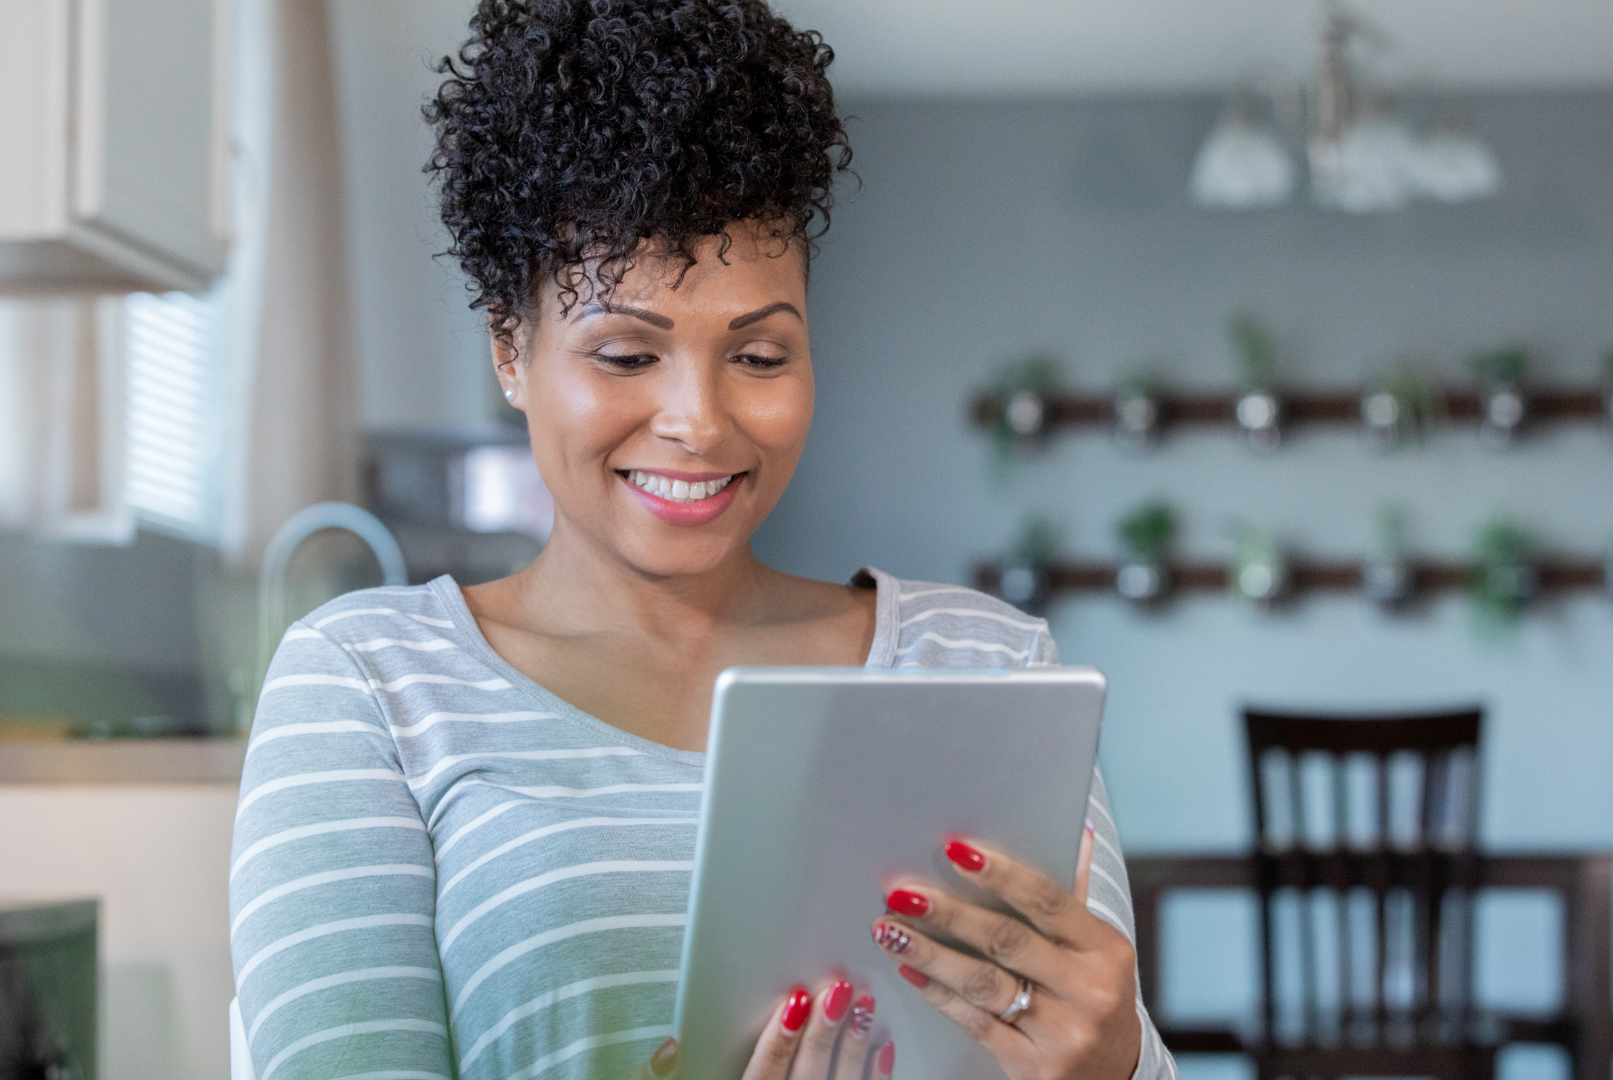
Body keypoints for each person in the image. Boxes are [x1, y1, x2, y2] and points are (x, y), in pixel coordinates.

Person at [229, 2, 1180, 1078]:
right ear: (510, 345)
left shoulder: (989, 665)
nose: (702, 422)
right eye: (628, 355)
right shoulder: (372, 687)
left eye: (761, 356)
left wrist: (1117, 1061)